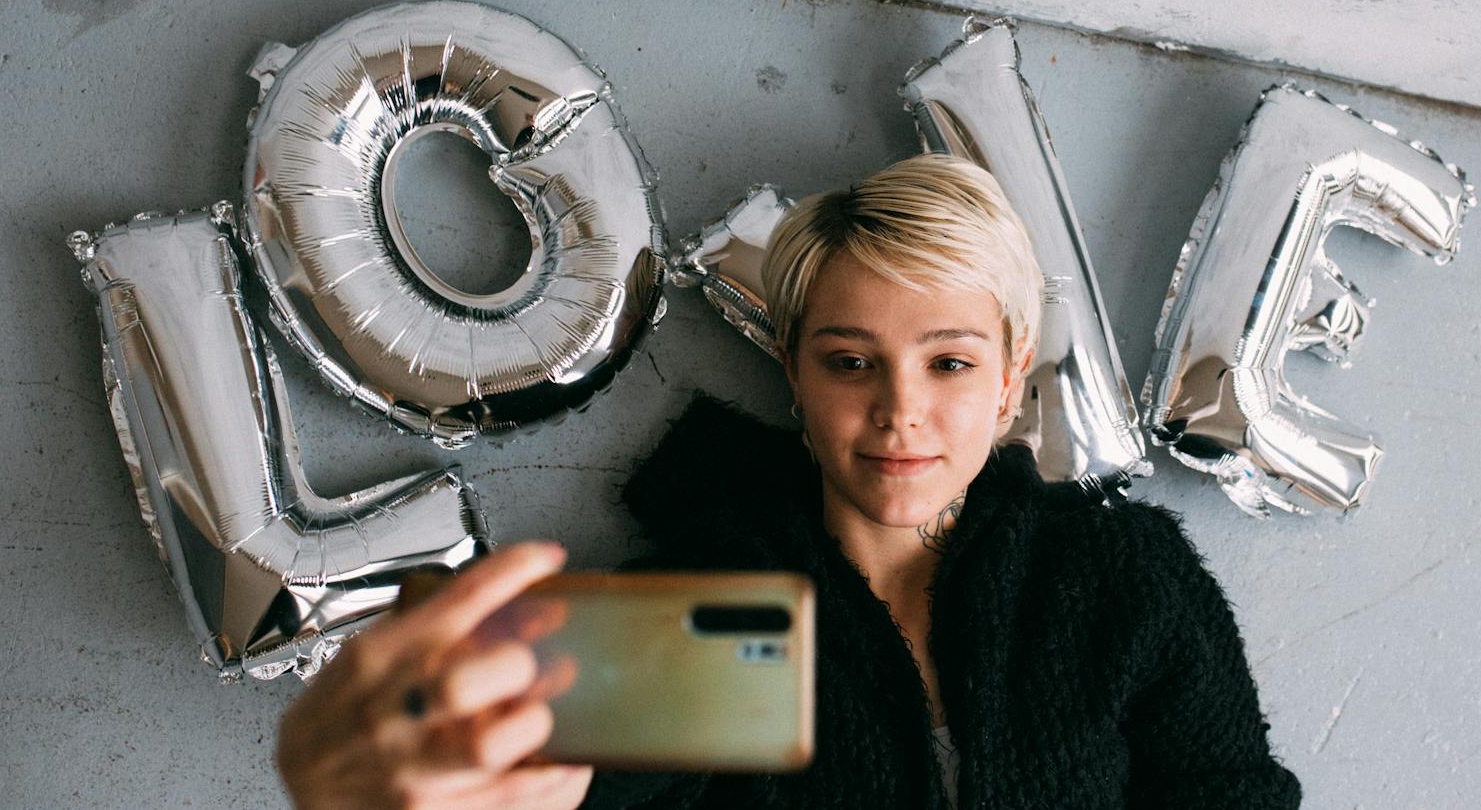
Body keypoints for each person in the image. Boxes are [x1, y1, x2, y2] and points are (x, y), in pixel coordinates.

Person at [276, 154, 1301, 809]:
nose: (899, 409)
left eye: (947, 361)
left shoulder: (1120, 574)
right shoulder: (698, 601)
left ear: (1006, 379)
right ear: (793, 373)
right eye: (850, 361)